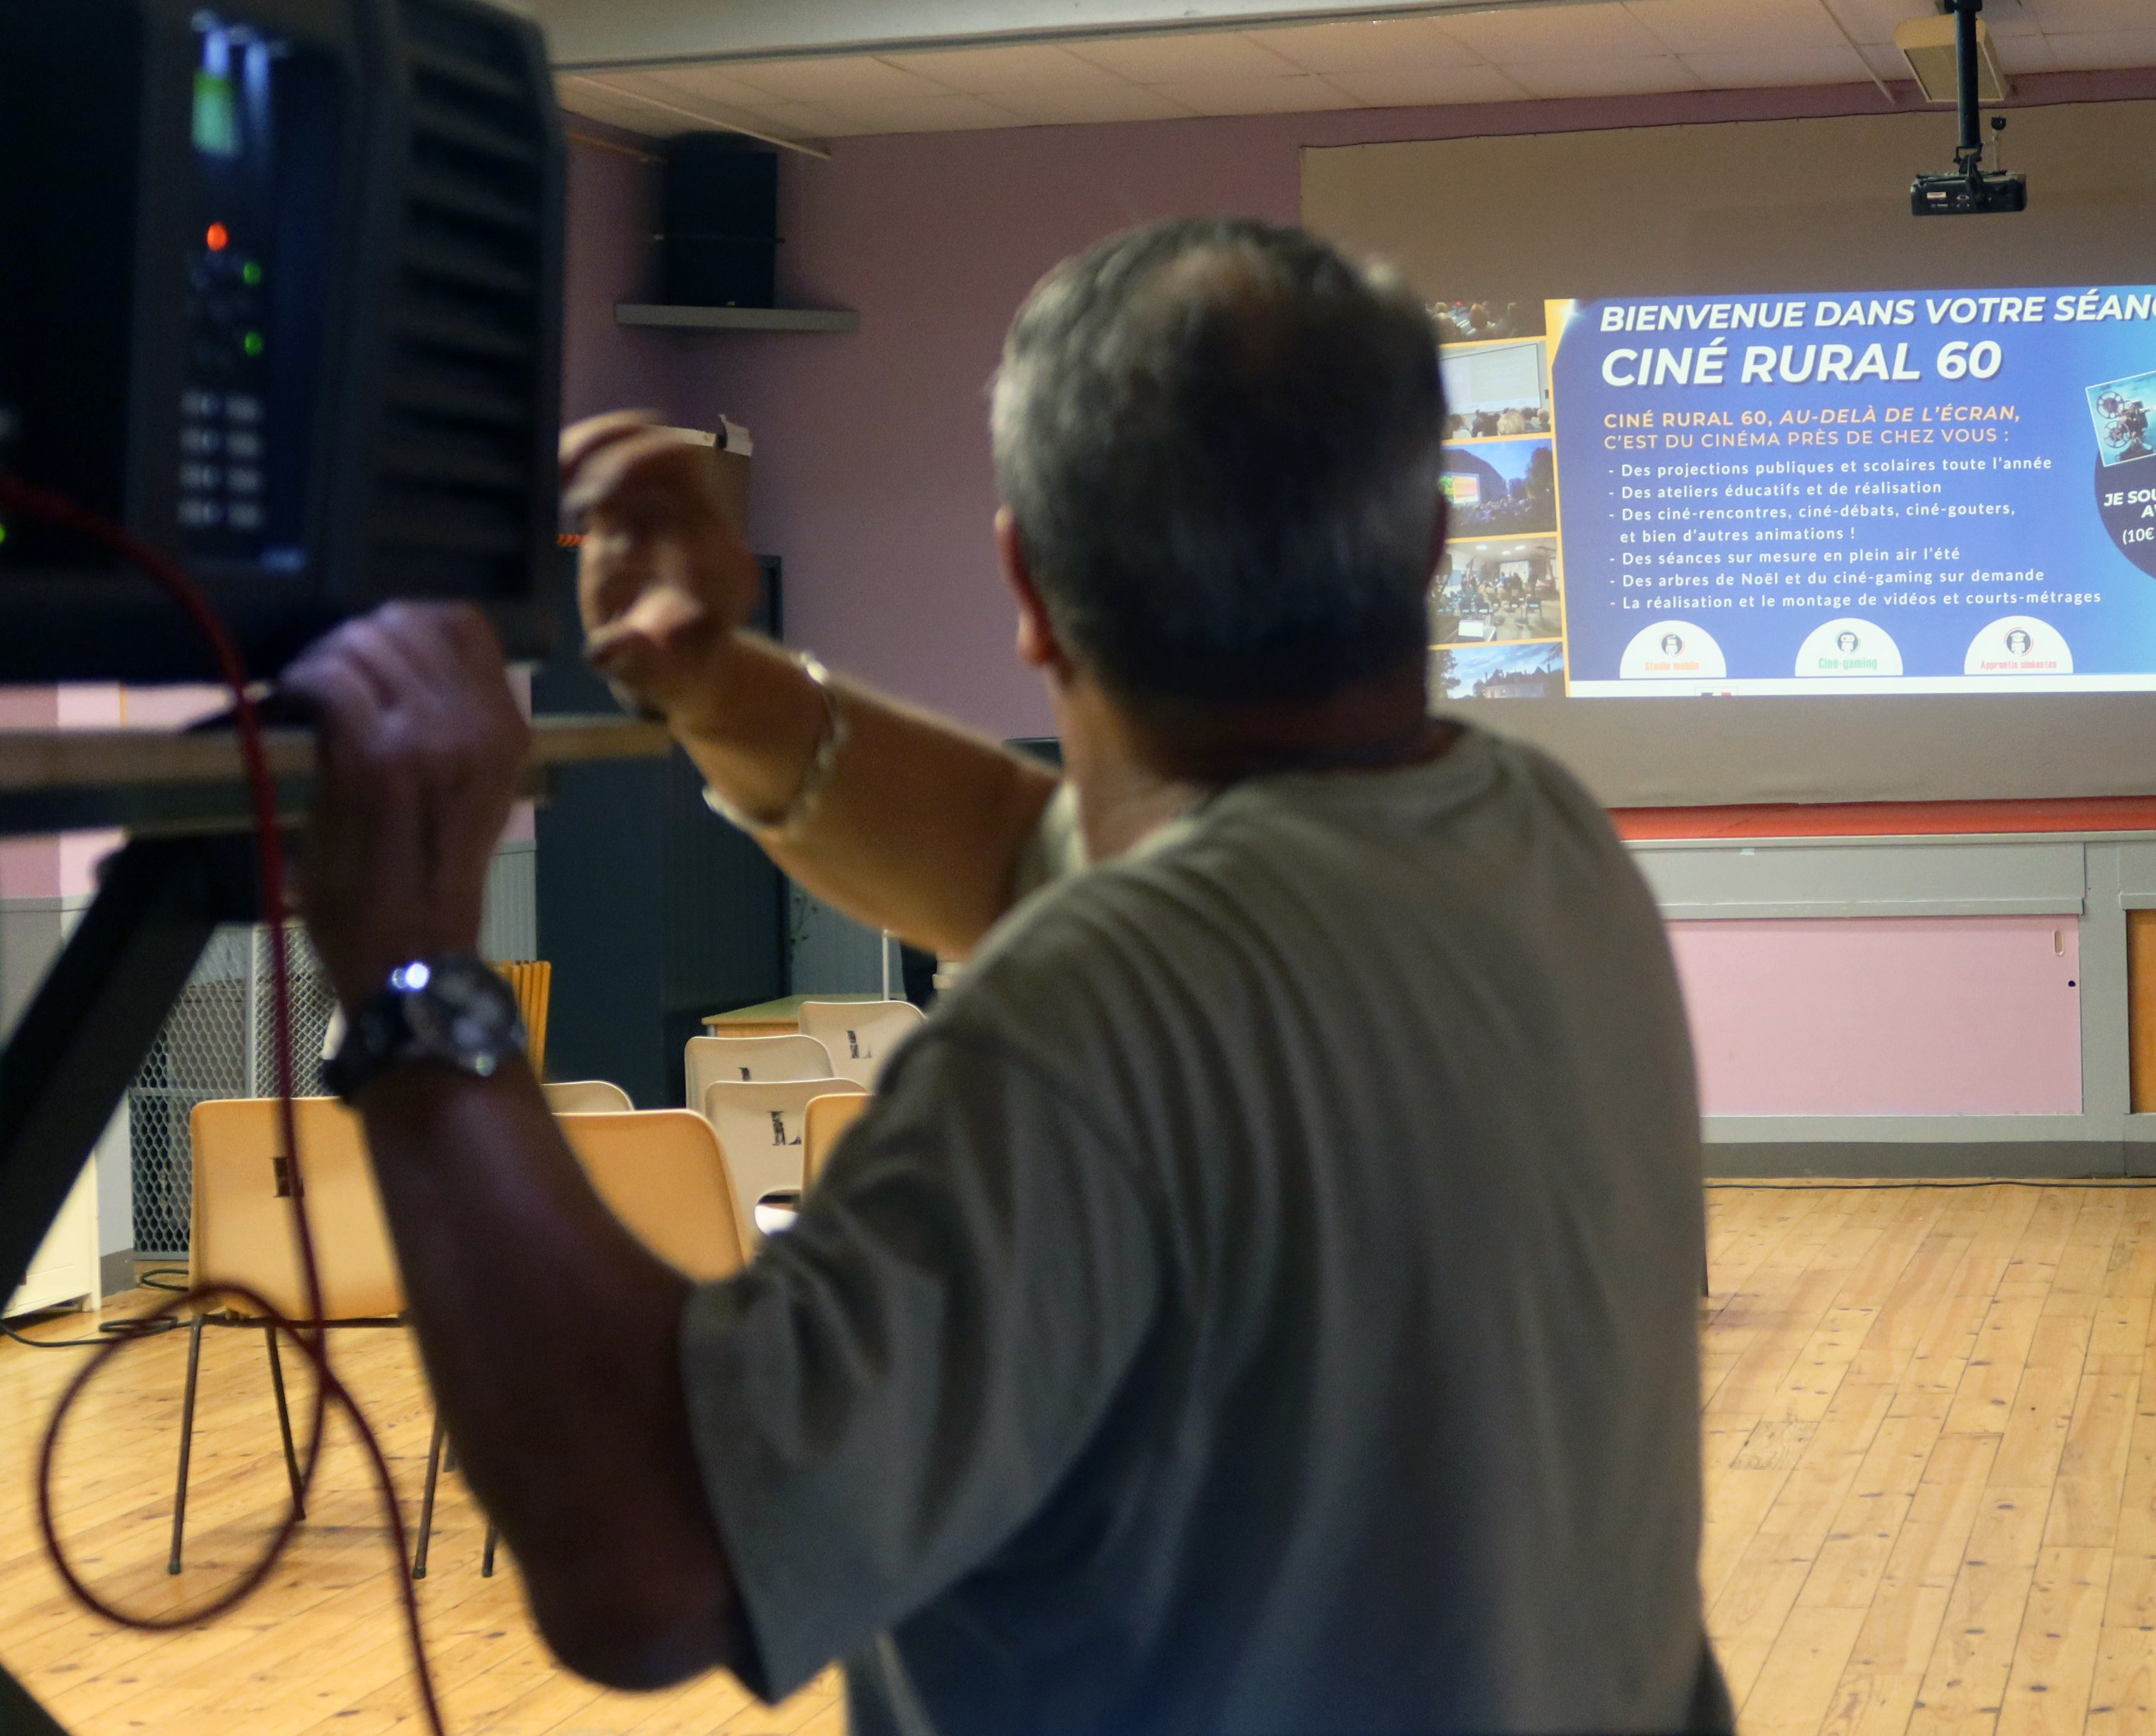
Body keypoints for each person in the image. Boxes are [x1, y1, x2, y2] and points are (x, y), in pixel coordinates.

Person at [280, 219, 1723, 1733]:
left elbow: (652, 1564)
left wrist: (412, 977)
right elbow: (1024, 847)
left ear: (1023, 581)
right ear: (1431, 546)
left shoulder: (1084, 1020)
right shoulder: (1535, 834)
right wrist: (712, 674)